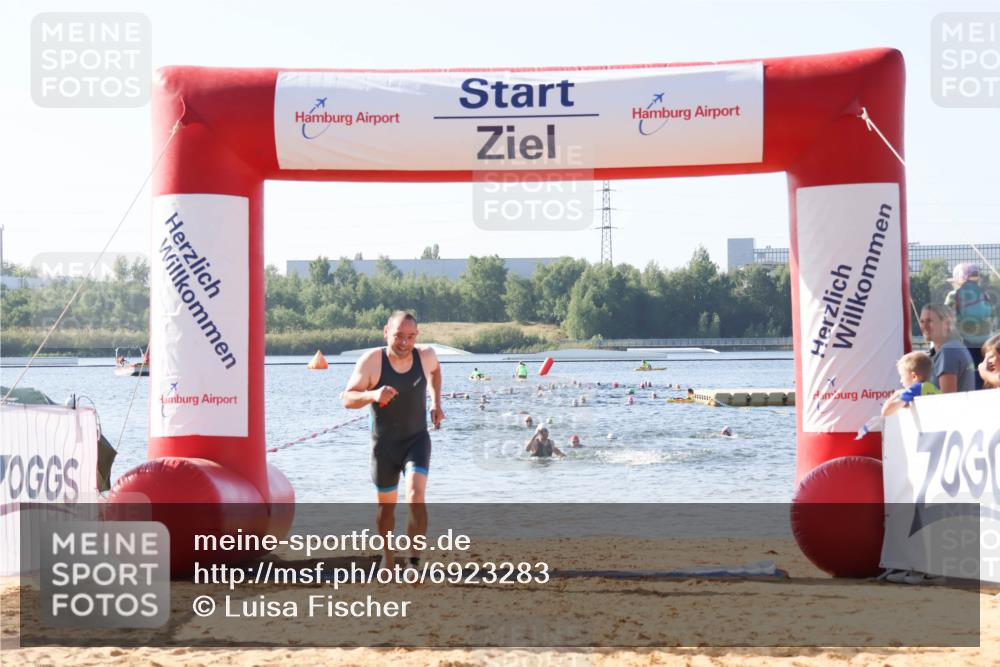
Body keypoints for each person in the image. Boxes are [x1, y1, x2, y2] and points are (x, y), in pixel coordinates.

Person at [340, 311, 444, 571]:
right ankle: (387, 556)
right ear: (386, 332)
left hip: (416, 440)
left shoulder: (426, 355)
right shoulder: (372, 361)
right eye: (398, 336)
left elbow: (435, 371)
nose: (404, 343)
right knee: (386, 509)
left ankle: (414, 562)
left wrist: (436, 402)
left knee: (415, 495)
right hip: (384, 447)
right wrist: (373, 395)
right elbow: (347, 398)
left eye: (410, 336)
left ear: (417, 335)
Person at [945, 263, 995, 388]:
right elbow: (991, 316)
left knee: (966, 372)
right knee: (981, 369)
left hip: (964, 341)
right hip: (985, 341)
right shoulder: (985, 295)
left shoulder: (954, 295)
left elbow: (945, 315)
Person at [919, 304, 976, 393]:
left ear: (946, 324)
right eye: (922, 321)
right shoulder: (954, 347)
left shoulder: (948, 351)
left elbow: (947, 397)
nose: (924, 326)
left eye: (929, 321)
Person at [881, 351, 941, 417]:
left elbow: (886, 412)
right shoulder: (934, 388)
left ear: (914, 377)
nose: (901, 381)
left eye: (902, 376)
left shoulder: (914, 389)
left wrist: (895, 395)